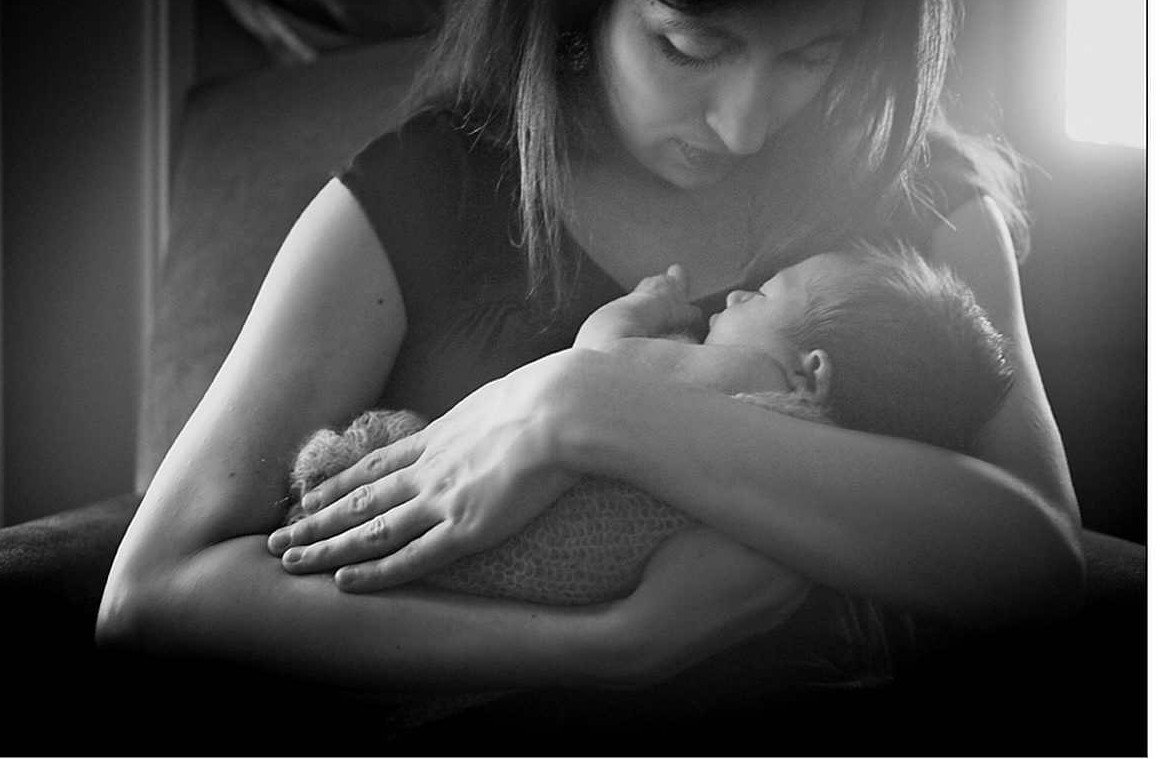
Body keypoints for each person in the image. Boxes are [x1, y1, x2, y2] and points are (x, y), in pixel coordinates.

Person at [98, 0, 1084, 699]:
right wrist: (613, 646)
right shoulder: (423, 193)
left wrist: (586, 408)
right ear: (579, 5)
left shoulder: (924, 210)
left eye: (811, 55)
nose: (743, 126)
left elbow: (1038, 566)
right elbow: (158, 591)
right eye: (689, 46)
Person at [280, 245, 1014, 610]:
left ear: (811, 373)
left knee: (387, 456)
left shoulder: (743, 385)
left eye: (763, 294)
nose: (735, 297)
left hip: (537, 542)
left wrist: (628, 313)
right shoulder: (846, 482)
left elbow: (599, 370)